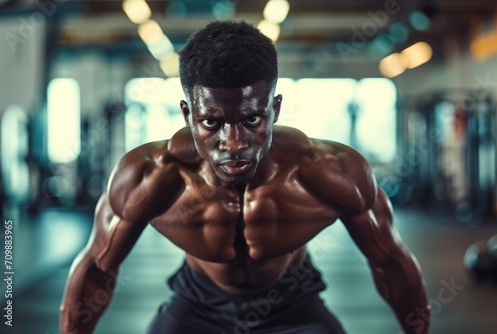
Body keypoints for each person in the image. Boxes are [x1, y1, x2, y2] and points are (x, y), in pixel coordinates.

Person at [60, 20, 430, 334]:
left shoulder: (333, 173)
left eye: (252, 119)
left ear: (275, 108)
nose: (234, 144)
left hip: (292, 301)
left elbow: (390, 260)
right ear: (188, 113)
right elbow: (96, 267)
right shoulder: (148, 177)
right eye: (211, 122)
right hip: (197, 303)